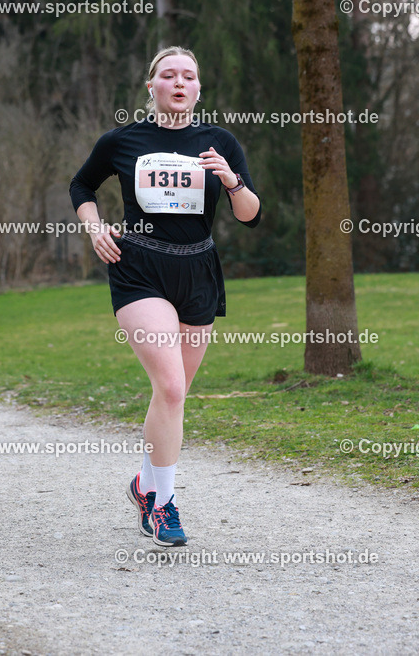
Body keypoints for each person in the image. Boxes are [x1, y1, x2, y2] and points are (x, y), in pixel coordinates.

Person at [70, 47, 261, 547]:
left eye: (189, 76)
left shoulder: (219, 142)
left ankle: (143, 483)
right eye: (168, 75)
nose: (179, 83)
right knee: (172, 387)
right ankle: (164, 504)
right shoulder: (122, 140)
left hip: (198, 269)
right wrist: (94, 230)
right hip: (138, 268)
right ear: (150, 85)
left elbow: (251, 214)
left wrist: (232, 180)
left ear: (199, 90)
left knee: (172, 395)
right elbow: (82, 184)